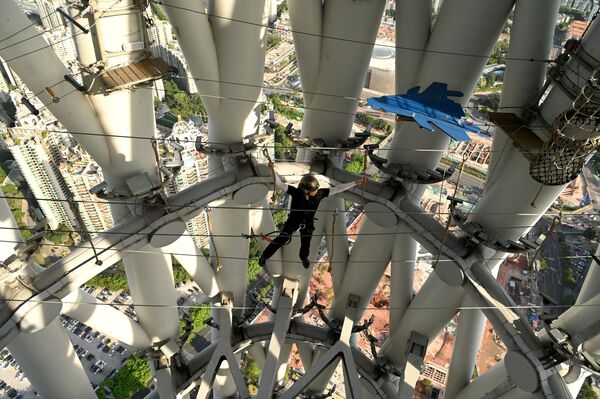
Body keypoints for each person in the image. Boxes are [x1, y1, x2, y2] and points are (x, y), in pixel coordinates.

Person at [259, 161, 366, 269]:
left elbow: (337, 189)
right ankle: (265, 256)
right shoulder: (296, 193)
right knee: (281, 239)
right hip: (293, 221)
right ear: (306, 191)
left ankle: (303, 258)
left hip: (307, 223)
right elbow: (279, 184)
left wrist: (355, 183)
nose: (316, 191)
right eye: (314, 190)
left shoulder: (319, 194)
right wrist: (271, 169)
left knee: (306, 244)